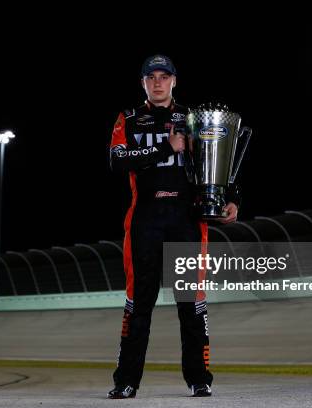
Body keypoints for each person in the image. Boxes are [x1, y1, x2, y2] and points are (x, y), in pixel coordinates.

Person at [107, 54, 240, 399]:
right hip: (144, 220)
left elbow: (217, 159)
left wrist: (230, 198)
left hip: (187, 220)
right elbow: (117, 160)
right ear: (143, 83)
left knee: (191, 302)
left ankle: (199, 378)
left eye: (164, 76)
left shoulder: (194, 118)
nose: (158, 82)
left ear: (174, 81)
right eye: (151, 77)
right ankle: (126, 381)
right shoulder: (129, 118)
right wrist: (167, 146)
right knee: (138, 303)